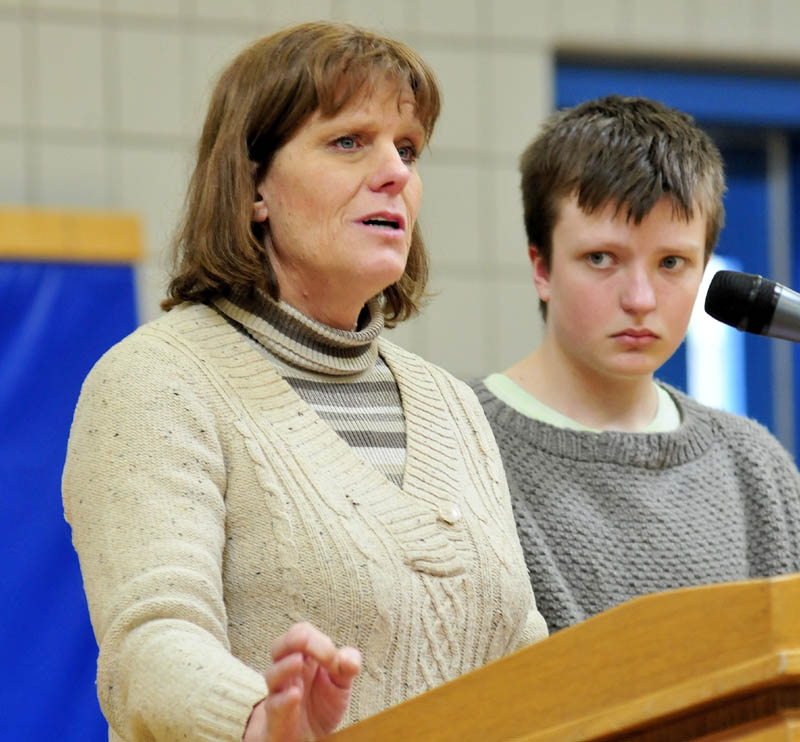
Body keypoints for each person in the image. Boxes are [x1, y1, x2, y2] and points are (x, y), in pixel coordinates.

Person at [62, 21, 547, 742]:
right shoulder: (154, 381)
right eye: (349, 141)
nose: (396, 172)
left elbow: (525, 662)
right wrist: (256, 719)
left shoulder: (451, 404)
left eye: (407, 149)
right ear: (255, 185)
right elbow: (150, 643)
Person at [472, 95, 800, 634]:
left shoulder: (756, 469)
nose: (641, 298)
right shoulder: (461, 442)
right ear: (541, 268)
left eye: (672, 262)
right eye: (602, 258)